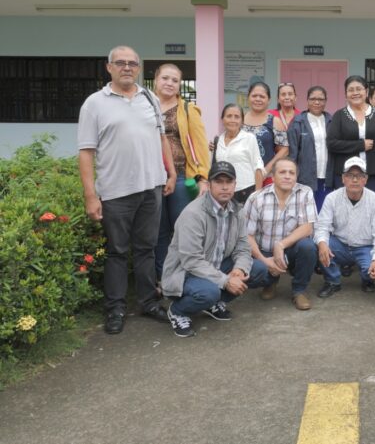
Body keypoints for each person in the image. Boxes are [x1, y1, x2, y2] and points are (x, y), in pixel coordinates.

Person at [77, 45, 172, 334]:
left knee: (146, 249)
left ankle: (147, 301)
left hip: (150, 188)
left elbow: (161, 138)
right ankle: (115, 308)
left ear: (139, 68)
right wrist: (91, 195)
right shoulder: (94, 103)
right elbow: (85, 152)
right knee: (117, 252)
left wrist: (170, 172)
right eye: (120, 63)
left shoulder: (150, 98)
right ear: (109, 68)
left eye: (132, 63)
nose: (127, 67)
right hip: (116, 192)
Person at [161, 161, 271, 338]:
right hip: (184, 273)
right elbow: (191, 261)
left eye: (229, 182)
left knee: (258, 270)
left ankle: (213, 303)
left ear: (235, 185)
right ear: (209, 184)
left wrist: (239, 269)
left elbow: (243, 246)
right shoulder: (193, 214)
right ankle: (178, 311)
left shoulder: (238, 211)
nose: (225, 187)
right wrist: (226, 281)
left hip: (216, 266)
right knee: (209, 292)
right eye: (219, 182)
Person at [153, 63, 210, 280]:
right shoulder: (144, 107)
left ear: (179, 85)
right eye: (165, 78)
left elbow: (201, 145)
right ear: (156, 79)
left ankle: (187, 276)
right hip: (152, 180)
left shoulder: (187, 110)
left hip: (181, 180)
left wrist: (203, 178)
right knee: (158, 233)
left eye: (175, 80)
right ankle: (163, 278)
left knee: (183, 231)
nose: (169, 83)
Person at [243, 158, 319, 311]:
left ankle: (299, 290)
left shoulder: (305, 193)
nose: (287, 176)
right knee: (256, 271)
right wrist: (264, 260)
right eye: (282, 172)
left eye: (292, 173)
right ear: (273, 175)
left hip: (289, 250)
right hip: (263, 252)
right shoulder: (256, 198)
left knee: (308, 246)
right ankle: (270, 282)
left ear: (296, 176)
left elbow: (307, 228)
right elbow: (247, 236)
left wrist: (281, 245)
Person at [315, 157, 375, 297]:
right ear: (343, 178)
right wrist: (323, 244)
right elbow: (322, 226)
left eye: (359, 176)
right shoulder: (332, 198)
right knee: (320, 244)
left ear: (365, 179)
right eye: (350, 176)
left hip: (365, 247)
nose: (354, 180)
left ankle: (367, 280)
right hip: (340, 245)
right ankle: (332, 281)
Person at [326, 75, 375, 200]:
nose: (355, 93)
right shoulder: (339, 116)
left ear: (366, 92)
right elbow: (331, 143)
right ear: (345, 94)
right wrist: (360, 145)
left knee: (373, 210)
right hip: (346, 176)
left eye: (359, 89)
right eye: (351, 90)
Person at [288, 85, 333, 210]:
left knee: (324, 213)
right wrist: (292, 176)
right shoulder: (298, 122)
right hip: (305, 178)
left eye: (321, 99)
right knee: (306, 213)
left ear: (325, 101)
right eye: (313, 99)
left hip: (327, 177)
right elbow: (293, 154)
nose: (317, 102)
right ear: (307, 100)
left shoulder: (332, 121)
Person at [213, 104, 265, 205]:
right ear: (222, 119)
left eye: (237, 117)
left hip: (246, 191)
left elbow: (258, 166)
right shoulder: (217, 141)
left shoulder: (249, 138)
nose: (232, 120)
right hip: (223, 193)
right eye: (229, 116)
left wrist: (257, 195)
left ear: (242, 121)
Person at [243, 82, 289, 184]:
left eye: (262, 96)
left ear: (269, 100)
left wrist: (267, 169)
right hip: (242, 177)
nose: (258, 99)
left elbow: (284, 149)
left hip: (266, 178)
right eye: (254, 96)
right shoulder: (239, 119)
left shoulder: (274, 121)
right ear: (248, 98)